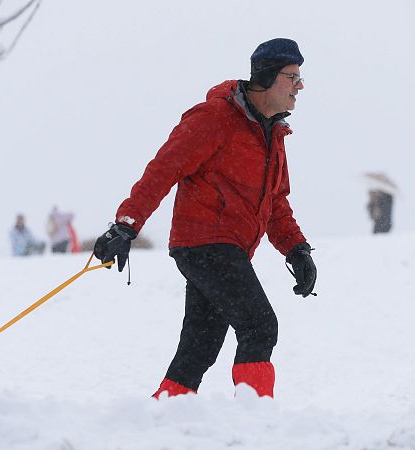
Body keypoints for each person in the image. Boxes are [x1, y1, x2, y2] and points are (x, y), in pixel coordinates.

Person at [93, 38, 317, 399]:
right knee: (259, 325)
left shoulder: (273, 133)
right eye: (292, 77)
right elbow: (163, 169)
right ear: (265, 77)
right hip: (206, 244)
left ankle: (164, 415)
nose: (300, 86)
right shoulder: (214, 118)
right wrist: (127, 224)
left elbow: (275, 202)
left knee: (199, 349)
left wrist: (297, 250)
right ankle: (254, 421)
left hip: (227, 250)